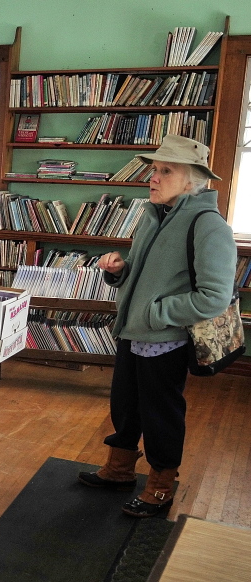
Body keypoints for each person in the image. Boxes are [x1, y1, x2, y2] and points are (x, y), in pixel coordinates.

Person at [78, 134, 237, 518]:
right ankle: (119, 470)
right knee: (126, 405)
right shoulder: (154, 215)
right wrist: (119, 273)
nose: (153, 177)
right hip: (132, 332)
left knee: (161, 415)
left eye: (166, 171)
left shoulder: (209, 226)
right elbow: (148, 276)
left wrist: (156, 312)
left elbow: (213, 298)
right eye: (154, 168)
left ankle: (161, 486)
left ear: (192, 181)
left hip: (165, 340)